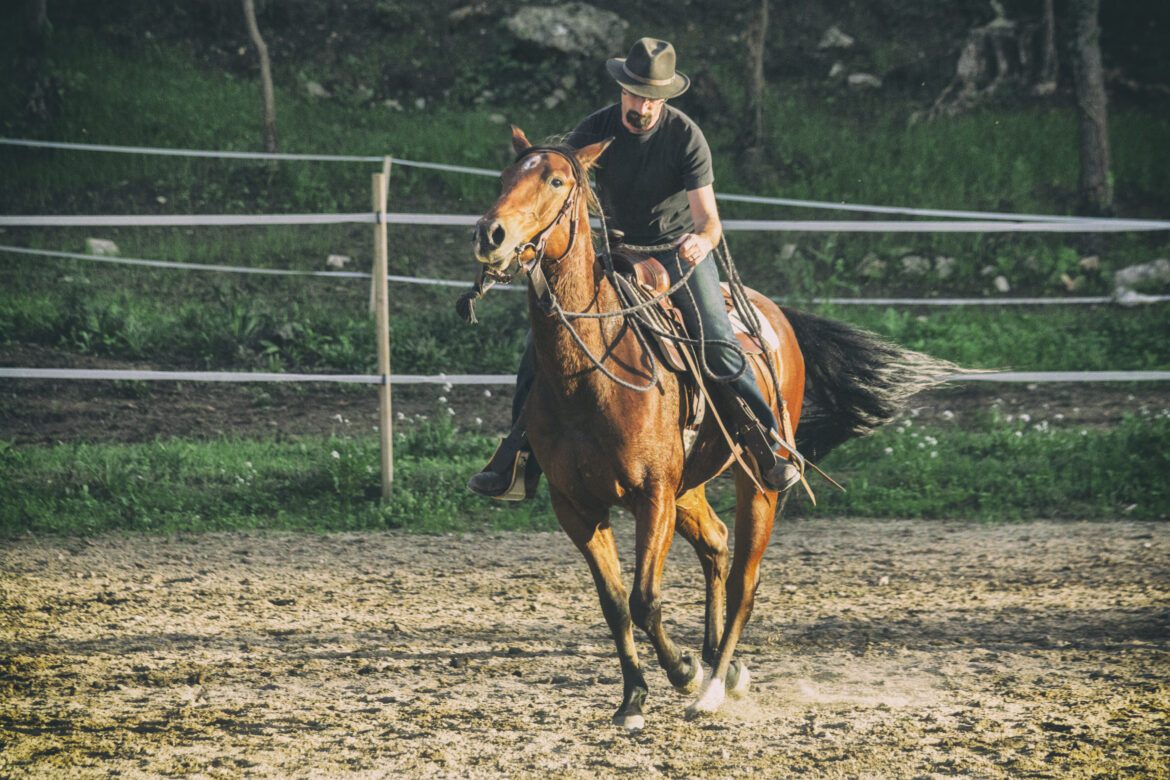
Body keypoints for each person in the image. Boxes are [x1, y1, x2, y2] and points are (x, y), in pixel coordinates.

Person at [468, 37, 801, 498]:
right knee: (540, 347)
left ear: (663, 98)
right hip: (617, 252)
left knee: (717, 341)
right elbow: (555, 175)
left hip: (677, 254)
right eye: (634, 94)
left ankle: (765, 443)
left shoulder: (685, 137)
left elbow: (709, 221)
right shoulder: (596, 128)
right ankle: (516, 457)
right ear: (622, 89)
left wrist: (701, 241)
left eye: (651, 98)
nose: (641, 106)